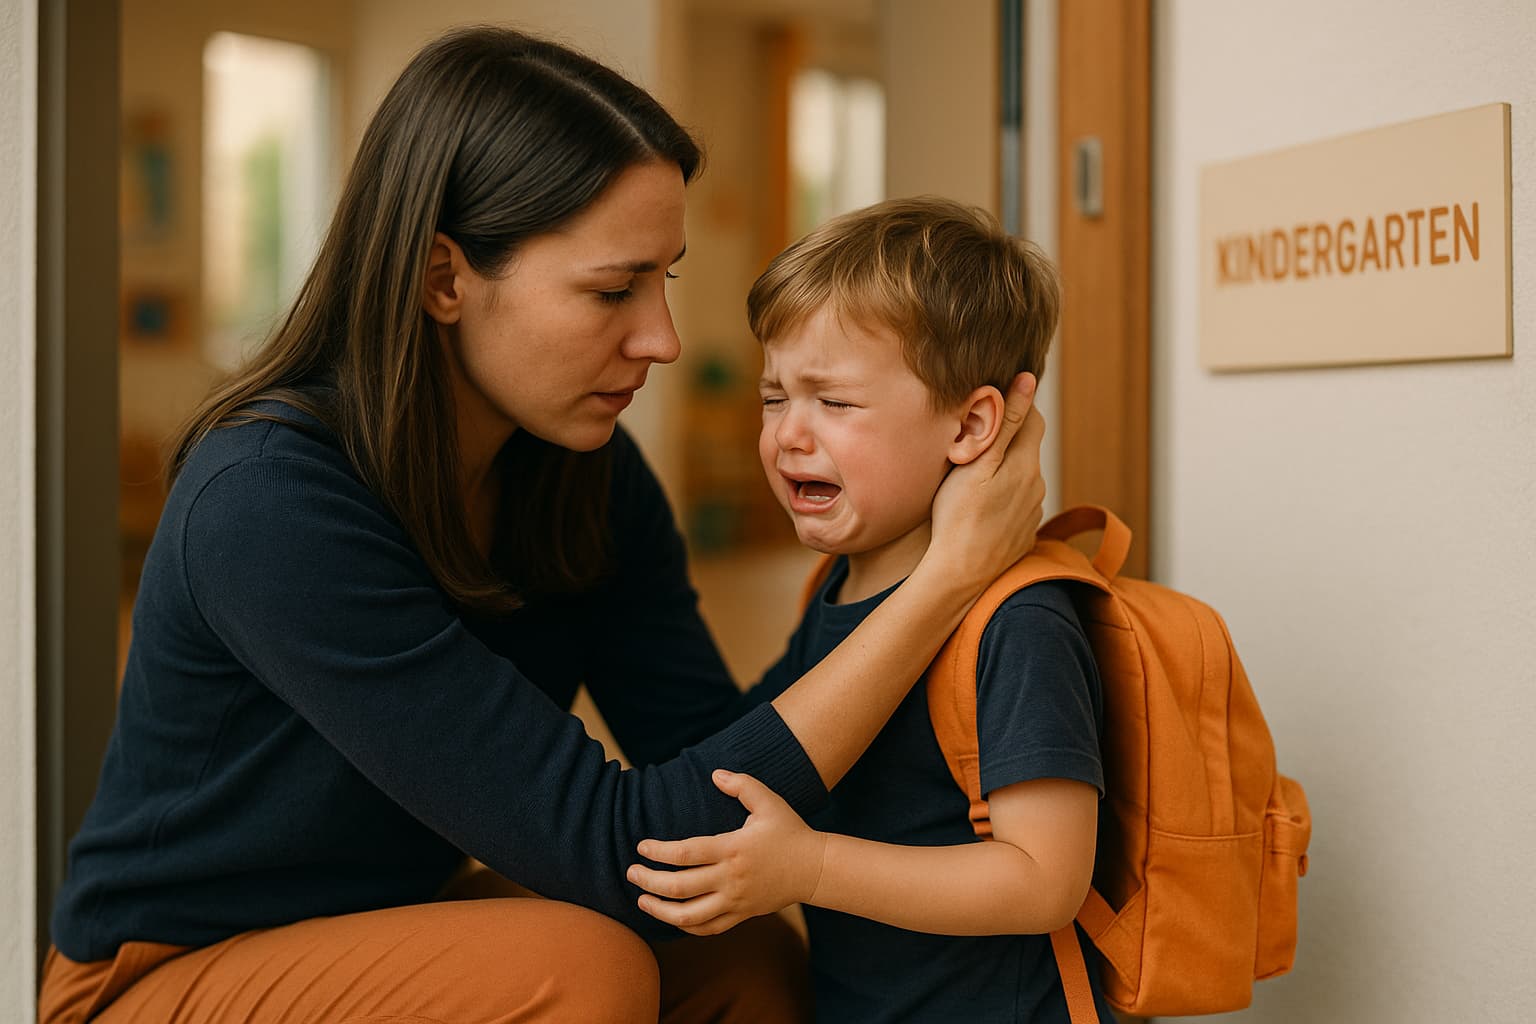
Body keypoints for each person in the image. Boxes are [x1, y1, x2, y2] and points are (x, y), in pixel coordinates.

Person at [38, 28, 1049, 1024]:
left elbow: (719, 771)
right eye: (613, 289)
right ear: (445, 279)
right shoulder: (265, 500)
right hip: (170, 973)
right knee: (585, 963)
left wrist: (892, 559)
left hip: (392, 921)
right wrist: (947, 580)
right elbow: (619, 848)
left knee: (743, 957)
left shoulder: (584, 474)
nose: (660, 338)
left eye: (666, 279)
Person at [628, 197, 1118, 1022]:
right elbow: (756, 755)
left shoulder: (1019, 624)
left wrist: (811, 868)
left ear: (970, 424)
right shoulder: (836, 586)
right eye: (775, 397)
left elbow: (1044, 880)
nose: (788, 433)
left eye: (835, 402)